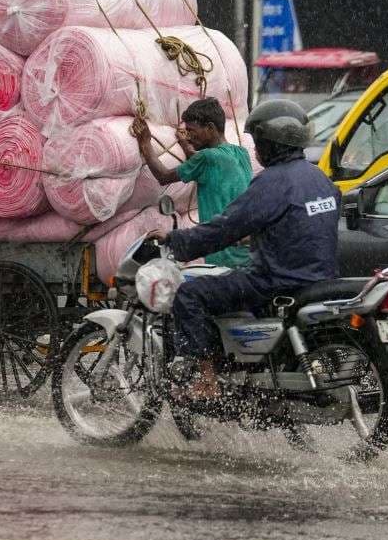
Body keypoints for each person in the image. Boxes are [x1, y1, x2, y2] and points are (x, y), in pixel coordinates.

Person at [152, 100, 341, 399]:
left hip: (276, 278)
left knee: (189, 295)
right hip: (319, 276)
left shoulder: (272, 182)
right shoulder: (319, 178)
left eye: (258, 142)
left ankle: (207, 379)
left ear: (270, 143)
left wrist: (177, 241)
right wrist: (257, 238)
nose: (255, 149)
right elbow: (298, 226)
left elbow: (226, 225)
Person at [132, 97, 251, 268]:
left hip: (223, 256)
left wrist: (145, 142)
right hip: (244, 255)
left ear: (210, 128)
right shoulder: (241, 154)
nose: (189, 135)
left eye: (192, 131)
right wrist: (185, 145)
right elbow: (203, 163)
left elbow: (163, 176)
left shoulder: (207, 158)